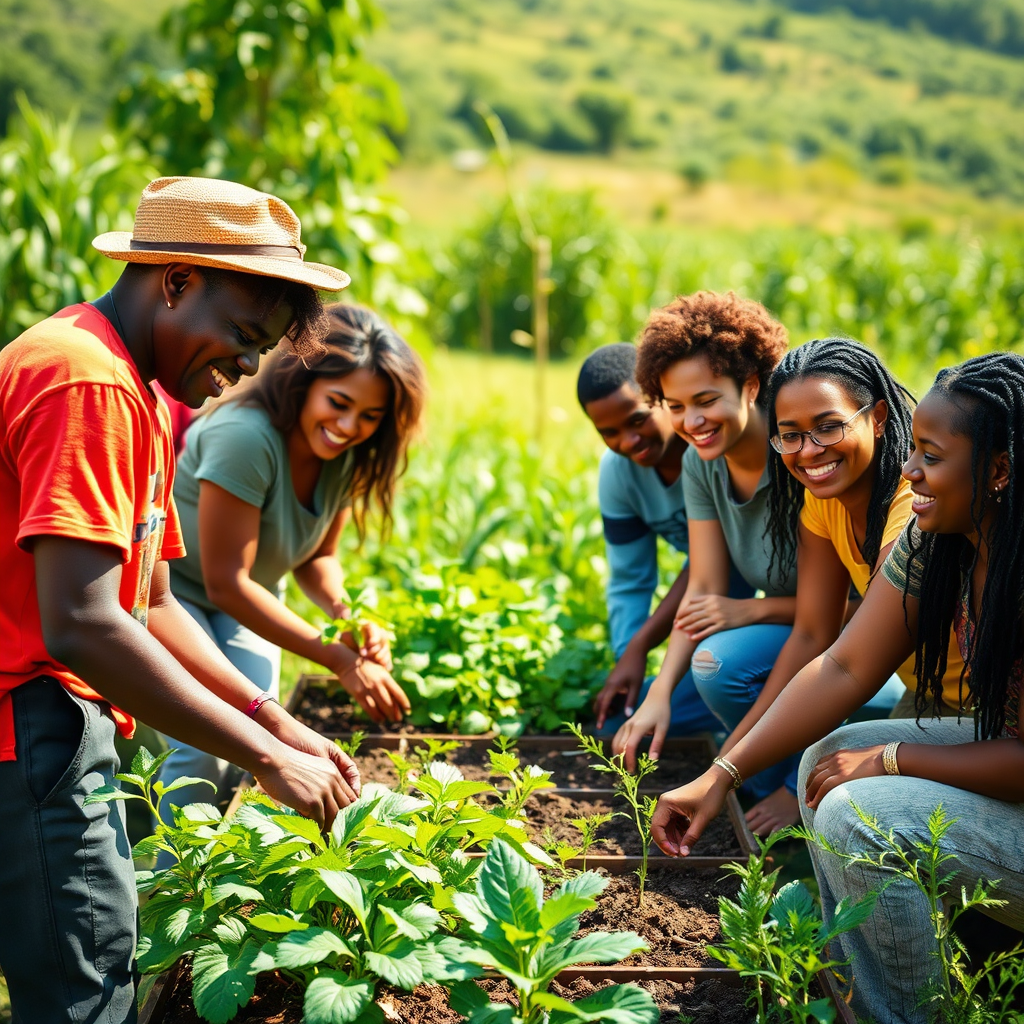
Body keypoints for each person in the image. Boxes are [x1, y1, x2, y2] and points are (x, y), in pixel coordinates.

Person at [0, 176, 363, 1023]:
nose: (244, 366)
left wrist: (277, 722)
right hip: (30, 727)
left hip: (50, 726)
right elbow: (84, 622)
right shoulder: (85, 382)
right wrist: (268, 762)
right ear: (175, 281)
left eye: (260, 350)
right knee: (84, 994)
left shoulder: (137, 389)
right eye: (242, 335)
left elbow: (154, 602)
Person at [650, 352, 1024, 1024]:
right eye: (916, 454)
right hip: (990, 741)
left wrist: (891, 760)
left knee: (862, 813)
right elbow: (845, 663)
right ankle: (863, 981)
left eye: (931, 456)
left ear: (998, 470)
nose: (912, 471)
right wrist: (722, 774)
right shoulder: (939, 537)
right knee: (828, 753)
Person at [156, 303, 425, 814]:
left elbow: (316, 557)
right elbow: (226, 583)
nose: (349, 426)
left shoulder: (343, 453)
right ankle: (176, 887)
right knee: (205, 748)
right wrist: (339, 660)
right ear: (304, 384)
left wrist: (349, 617)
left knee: (257, 740)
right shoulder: (246, 437)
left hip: (246, 599)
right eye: (338, 403)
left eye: (370, 416)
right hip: (176, 598)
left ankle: (223, 877)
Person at [603, 291, 802, 828]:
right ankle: (762, 779)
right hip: (799, 638)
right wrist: (659, 693)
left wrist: (750, 612)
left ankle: (794, 786)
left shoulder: (800, 457)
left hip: (856, 652)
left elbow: (855, 612)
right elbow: (705, 590)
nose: (692, 420)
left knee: (721, 665)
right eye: (676, 406)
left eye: (707, 399)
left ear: (752, 385)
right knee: (690, 677)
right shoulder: (703, 466)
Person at [702, 337, 915, 832]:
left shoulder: (911, 507)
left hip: (976, 702)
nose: (809, 452)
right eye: (790, 435)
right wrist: (726, 766)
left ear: (878, 417)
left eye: (828, 427)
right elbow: (811, 636)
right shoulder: (821, 500)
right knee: (823, 767)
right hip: (921, 690)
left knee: (843, 796)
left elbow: (848, 664)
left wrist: (725, 771)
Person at [578, 343, 753, 738]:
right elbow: (629, 578)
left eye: (637, 420)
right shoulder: (620, 474)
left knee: (719, 676)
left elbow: (714, 567)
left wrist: (643, 644)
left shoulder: (710, 447)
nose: (628, 441)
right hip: (711, 592)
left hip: (741, 583)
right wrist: (628, 658)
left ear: (663, 399)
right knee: (630, 719)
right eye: (609, 433)